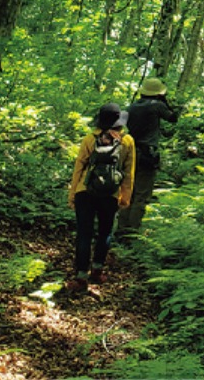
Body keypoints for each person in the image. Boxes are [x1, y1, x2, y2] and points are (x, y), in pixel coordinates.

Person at [66, 102, 135, 292]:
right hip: (110, 194)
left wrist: (73, 194)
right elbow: (128, 172)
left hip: (85, 191)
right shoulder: (127, 141)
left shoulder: (90, 139)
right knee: (104, 232)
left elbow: (79, 168)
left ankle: (80, 277)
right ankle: (97, 270)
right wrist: (124, 197)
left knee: (84, 234)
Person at [116, 77, 179, 236]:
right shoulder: (157, 105)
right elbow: (173, 118)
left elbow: (119, 126)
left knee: (128, 190)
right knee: (141, 195)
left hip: (129, 152)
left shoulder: (132, 106)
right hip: (147, 155)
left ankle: (121, 229)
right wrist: (166, 102)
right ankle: (132, 232)